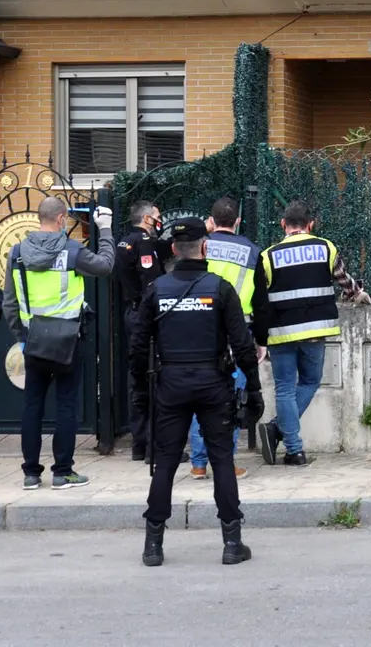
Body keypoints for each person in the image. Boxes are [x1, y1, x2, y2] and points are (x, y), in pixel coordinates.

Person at [130, 218, 263, 567]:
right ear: (205, 248)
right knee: (221, 460)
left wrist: (141, 395)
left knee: (166, 463)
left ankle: (153, 546)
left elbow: (138, 347)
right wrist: (255, 391)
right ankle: (232, 544)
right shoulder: (219, 289)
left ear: (173, 250)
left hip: (170, 385)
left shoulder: (157, 289)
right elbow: (244, 347)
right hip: (212, 384)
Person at [2, 197, 116, 490]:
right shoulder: (73, 250)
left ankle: (30, 474)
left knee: (32, 406)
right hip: (68, 340)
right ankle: (63, 472)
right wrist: (105, 230)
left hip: (34, 340)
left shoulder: (16, 254)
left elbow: (9, 304)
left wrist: (22, 337)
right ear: (62, 218)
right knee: (66, 405)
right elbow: (105, 266)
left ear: (39, 218)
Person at [251, 200, 370, 467]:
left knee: (284, 388)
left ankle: (294, 449)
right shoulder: (325, 247)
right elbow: (344, 281)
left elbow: (260, 299)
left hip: (281, 333)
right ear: (311, 224)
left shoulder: (268, 256)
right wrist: (358, 293)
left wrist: (259, 336)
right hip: (316, 331)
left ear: (283, 225)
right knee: (309, 382)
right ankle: (277, 431)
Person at [187, 197, 265, 481]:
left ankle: (198, 463)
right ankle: (227, 462)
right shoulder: (253, 252)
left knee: (199, 397)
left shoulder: (201, 244)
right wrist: (261, 340)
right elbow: (260, 299)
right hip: (238, 330)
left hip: (200, 326)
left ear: (212, 219)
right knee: (231, 399)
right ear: (238, 221)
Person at [115, 200, 164, 463]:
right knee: (153, 378)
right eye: (157, 216)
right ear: (147, 219)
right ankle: (153, 447)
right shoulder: (144, 244)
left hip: (130, 314)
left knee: (136, 379)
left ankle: (139, 443)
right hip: (145, 317)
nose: (160, 220)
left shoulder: (124, 242)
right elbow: (152, 285)